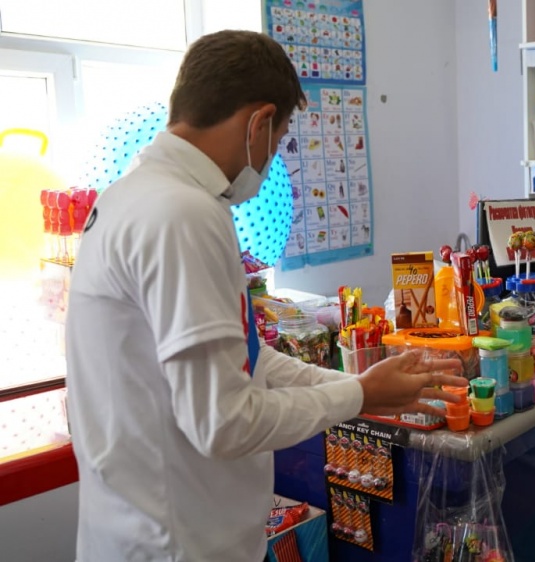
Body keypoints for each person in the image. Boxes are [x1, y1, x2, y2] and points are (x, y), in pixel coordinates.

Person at [65, 30, 467, 562]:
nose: (270, 160)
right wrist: (358, 397)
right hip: (177, 545)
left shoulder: (131, 196)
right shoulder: (183, 214)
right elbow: (224, 423)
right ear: (258, 123)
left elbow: (244, 359)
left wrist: (358, 384)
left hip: (145, 531)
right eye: (276, 144)